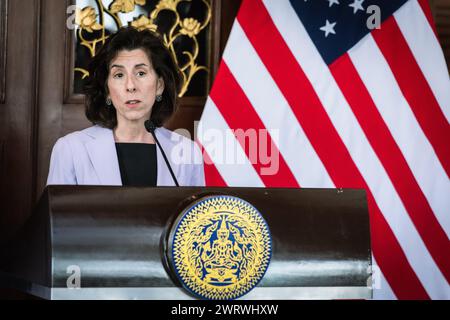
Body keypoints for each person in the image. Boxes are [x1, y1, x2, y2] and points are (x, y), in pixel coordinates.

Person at [47, 27, 204, 187]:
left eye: (141, 73)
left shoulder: (187, 152)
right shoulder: (70, 150)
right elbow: (58, 211)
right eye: (119, 75)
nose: (130, 86)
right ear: (107, 90)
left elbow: (196, 212)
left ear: (159, 86)